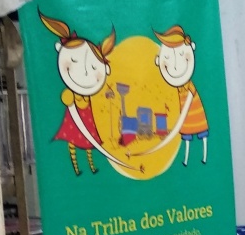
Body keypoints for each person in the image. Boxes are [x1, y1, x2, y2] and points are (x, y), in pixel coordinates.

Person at [39, 12, 131, 175]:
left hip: (88, 117)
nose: (86, 73)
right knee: (73, 142)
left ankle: (91, 166)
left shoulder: (93, 94)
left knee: (89, 142)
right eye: (74, 61)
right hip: (75, 118)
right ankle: (76, 168)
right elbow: (66, 98)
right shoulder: (72, 94)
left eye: (94, 68)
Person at [139, 25, 209, 166]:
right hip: (185, 119)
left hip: (195, 116)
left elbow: (187, 102)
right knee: (187, 139)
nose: (176, 67)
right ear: (158, 61)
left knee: (202, 137)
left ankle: (204, 156)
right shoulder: (176, 89)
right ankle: (186, 159)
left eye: (182, 55)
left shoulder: (189, 87)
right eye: (167, 58)